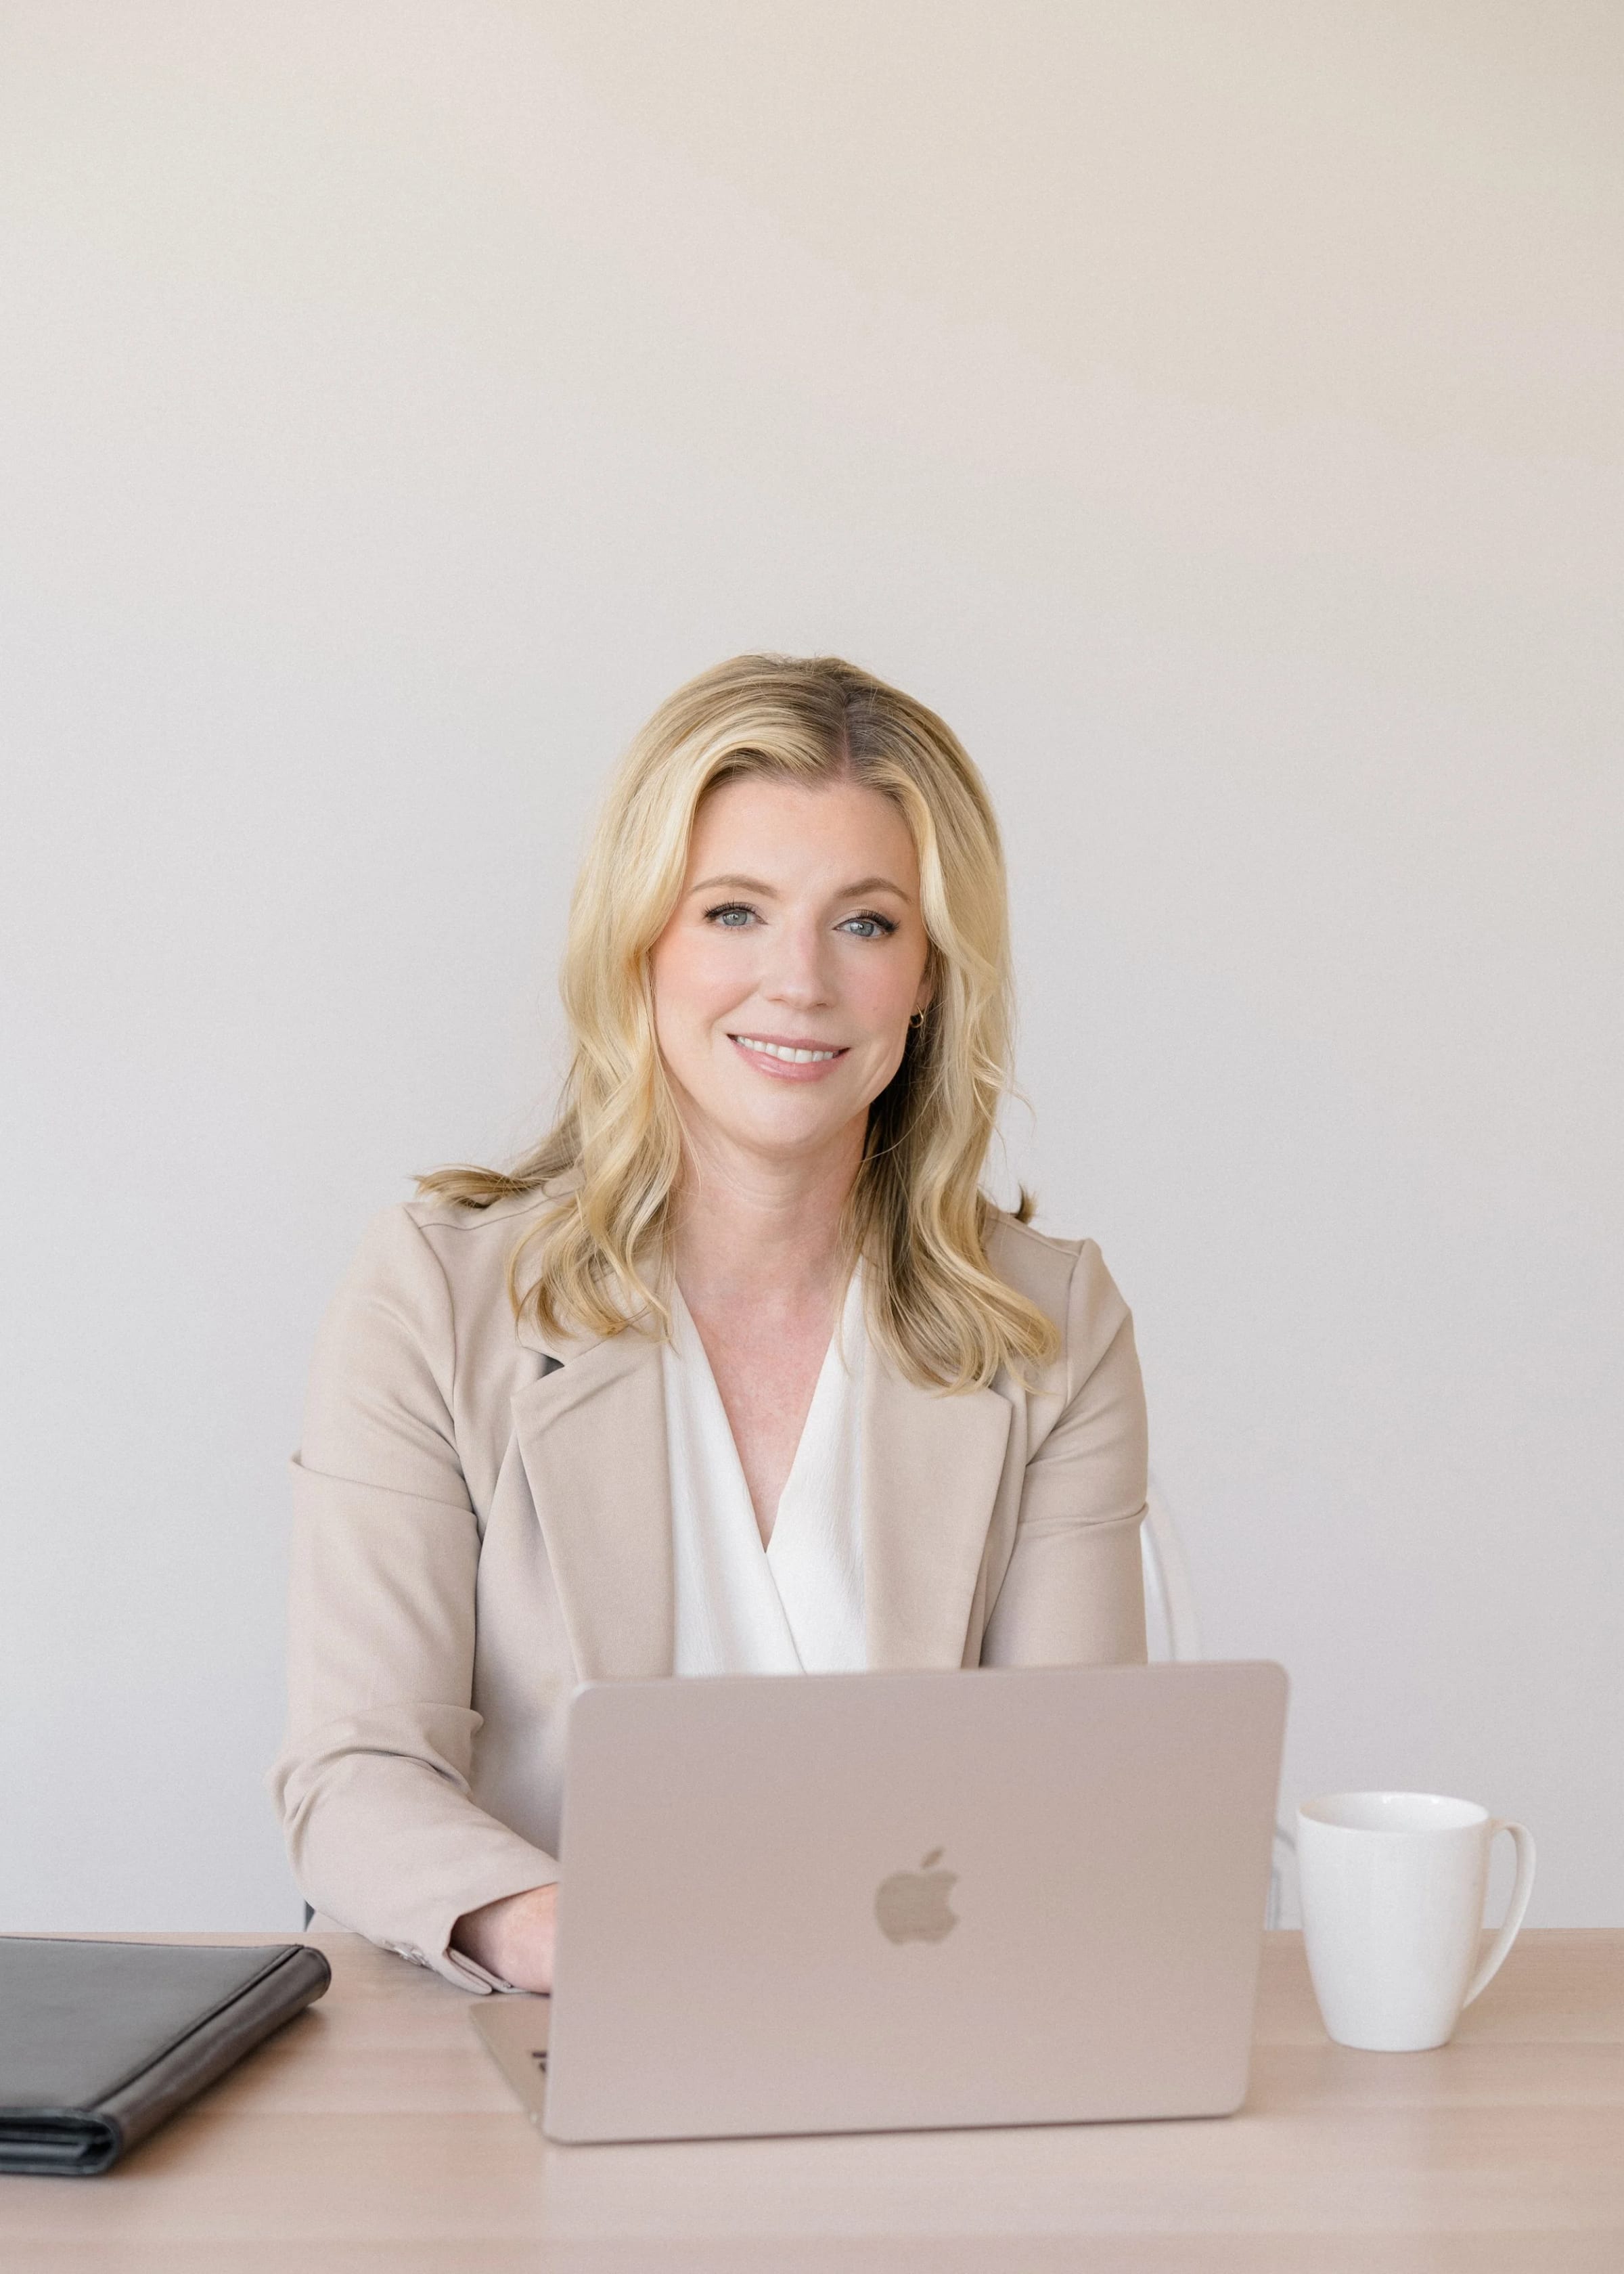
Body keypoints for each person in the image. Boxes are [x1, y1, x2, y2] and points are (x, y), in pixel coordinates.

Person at [271, 654, 1149, 1993]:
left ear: (929, 977)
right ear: (641, 943)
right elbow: (353, 1778)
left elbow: (1079, 1799)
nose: (796, 981)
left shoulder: (1050, 1324)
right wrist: (573, 1938)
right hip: (538, 2055)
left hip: (926, 2048)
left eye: (866, 924)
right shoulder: (433, 1300)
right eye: (734, 912)